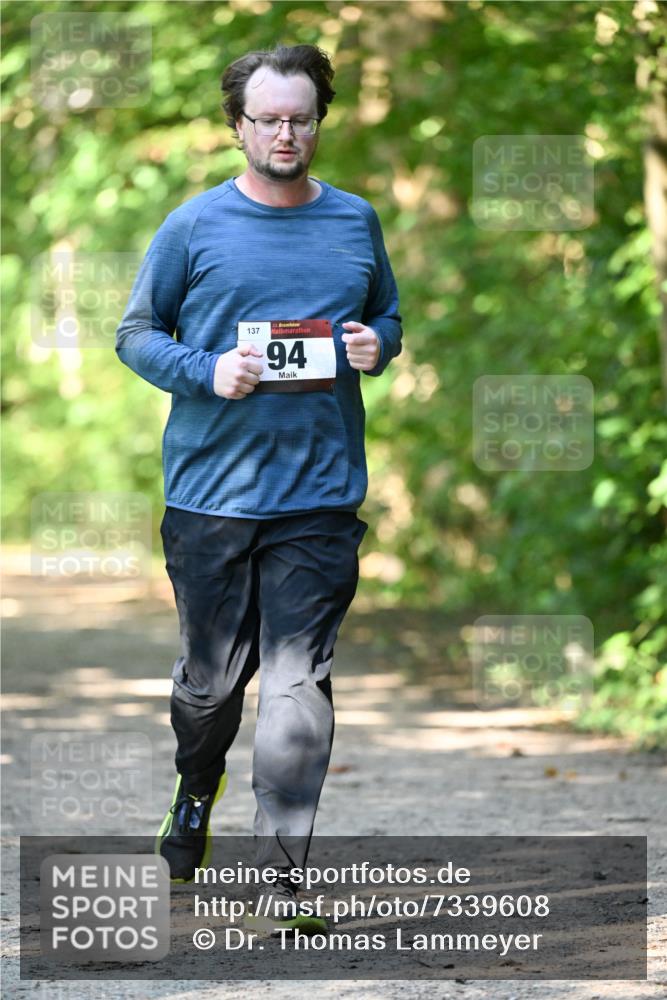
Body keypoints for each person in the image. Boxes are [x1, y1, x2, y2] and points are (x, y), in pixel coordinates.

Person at [115, 42, 402, 933]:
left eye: (302, 118)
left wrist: (376, 346)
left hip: (318, 497)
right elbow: (134, 334)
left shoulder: (354, 221)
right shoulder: (193, 226)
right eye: (269, 119)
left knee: (296, 687)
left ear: (321, 122)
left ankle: (282, 874)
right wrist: (209, 372)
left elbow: (385, 315)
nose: (286, 133)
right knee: (211, 689)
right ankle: (195, 789)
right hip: (211, 496)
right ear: (238, 124)